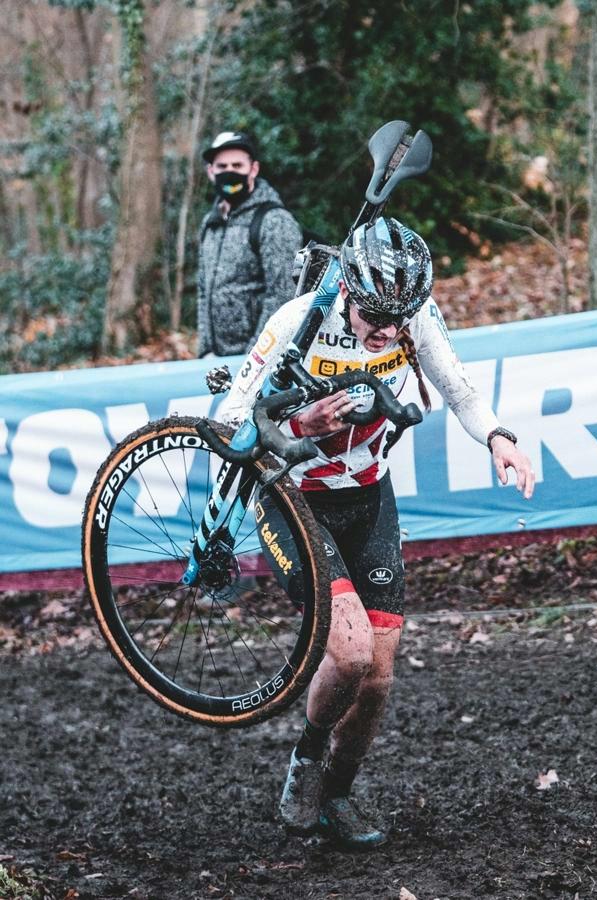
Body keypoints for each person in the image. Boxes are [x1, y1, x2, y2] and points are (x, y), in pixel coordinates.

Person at [220, 216, 534, 849]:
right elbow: (228, 418)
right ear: (350, 293)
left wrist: (501, 438)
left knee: (379, 677)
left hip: (368, 498)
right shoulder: (300, 320)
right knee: (352, 652)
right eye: (375, 317)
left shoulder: (412, 315)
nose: (387, 331)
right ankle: (306, 763)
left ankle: (336, 796)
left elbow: (460, 390)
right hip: (294, 499)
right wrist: (301, 424)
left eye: (400, 317)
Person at [197, 130, 303, 358]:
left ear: (253, 169)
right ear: (211, 172)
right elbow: (203, 291)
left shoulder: (274, 221)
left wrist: (254, 358)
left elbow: (283, 295)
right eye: (222, 167)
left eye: (237, 166)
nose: (229, 172)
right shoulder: (211, 222)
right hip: (215, 363)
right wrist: (204, 351)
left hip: (256, 362)